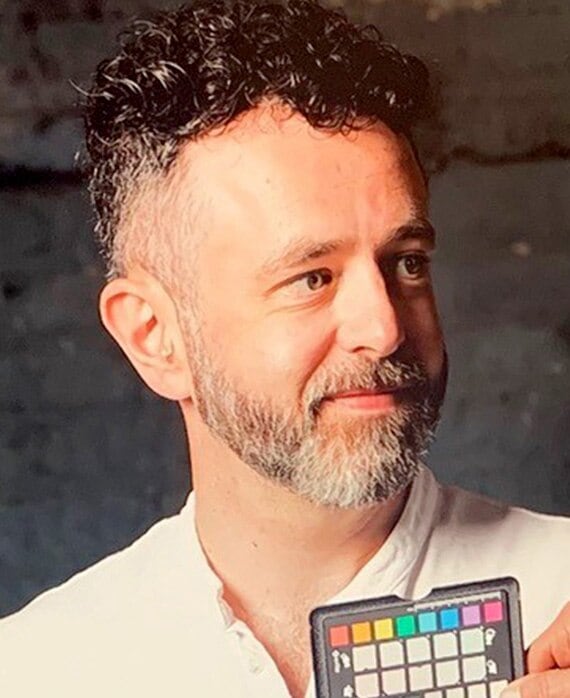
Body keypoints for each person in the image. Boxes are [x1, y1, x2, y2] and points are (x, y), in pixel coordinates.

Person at [0, 1, 568, 697]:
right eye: (312, 278)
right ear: (155, 337)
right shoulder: (34, 671)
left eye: (407, 262)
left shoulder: (563, 591)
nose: (384, 328)